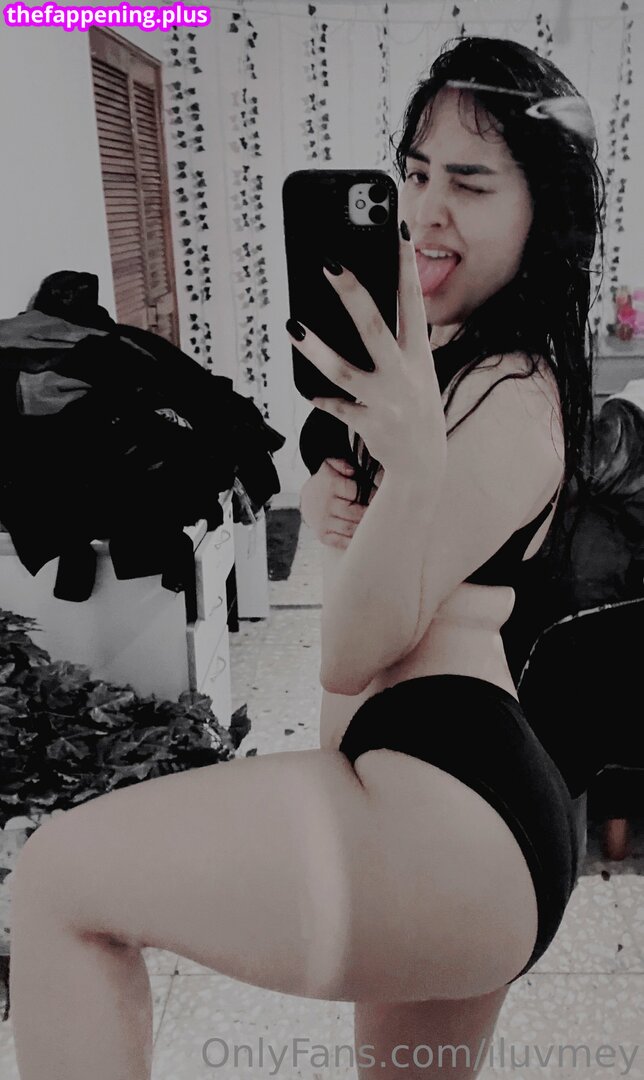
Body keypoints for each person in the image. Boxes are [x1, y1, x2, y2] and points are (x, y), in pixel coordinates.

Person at [8, 36, 603, 1080]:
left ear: (539, 216)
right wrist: (368, 498)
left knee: (57, 881)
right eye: (416, 174)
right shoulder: (454, 369)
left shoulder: (512, 397)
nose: (426, 212)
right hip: (462, 808)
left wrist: (408, 474)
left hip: (448, 808)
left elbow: (350, 653)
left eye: (470, 185)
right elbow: (407, 581)